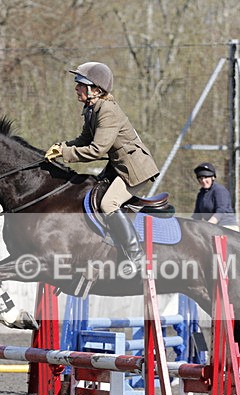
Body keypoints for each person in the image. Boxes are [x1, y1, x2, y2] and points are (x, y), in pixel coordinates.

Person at [44, 62, 159, 276]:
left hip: (134, 169)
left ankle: (137, 256)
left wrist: (65, 153)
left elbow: (97, 150)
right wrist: (62, 146)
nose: (76, 88)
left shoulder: (107, 111)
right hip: (118, 166)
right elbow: (84, 139)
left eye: (80, 84)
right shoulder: (92, 108)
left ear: (95, 90)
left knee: (108, 203)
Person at [191, 162, 239, 231]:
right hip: (212, 227)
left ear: (213, 177)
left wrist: (208, 225)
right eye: (200, 178)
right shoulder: (201, 194)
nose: (203, 181)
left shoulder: (219, 190)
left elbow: (221, 211)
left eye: (206, 177)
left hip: (227, 227)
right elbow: (197, 215)